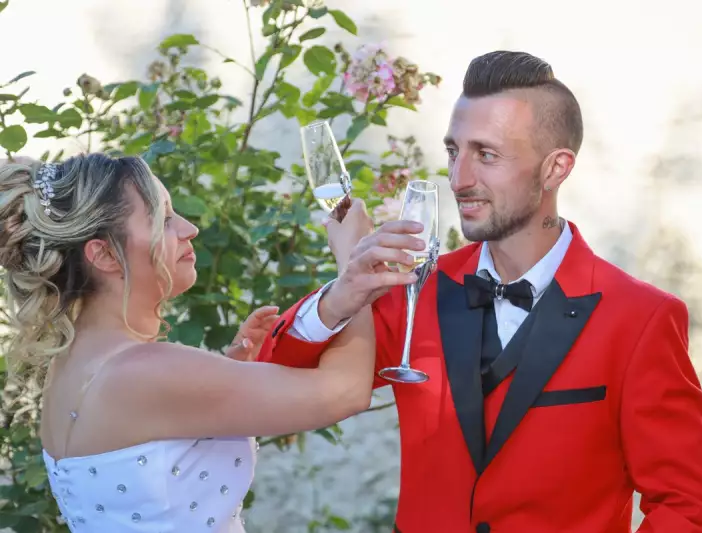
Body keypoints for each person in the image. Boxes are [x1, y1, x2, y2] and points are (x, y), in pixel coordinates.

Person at [257, 51, 702, 532]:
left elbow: (689, 506)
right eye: (453, 152)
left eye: (486, 155)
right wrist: (342, 291)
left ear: (555, 169)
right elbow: (270, 380)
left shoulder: (640, 319)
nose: (459, 179)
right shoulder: (415, 292)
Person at [0, 153, 415, 532]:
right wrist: (356, 268)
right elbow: (345, 393)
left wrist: (228, 367)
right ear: (105, 255)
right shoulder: (147, 373)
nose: (189, 228)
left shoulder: (71, 365)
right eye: (163, 219)